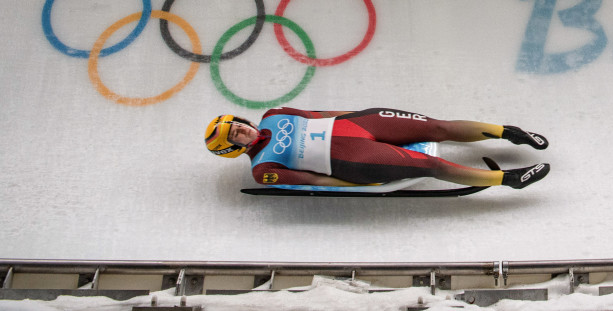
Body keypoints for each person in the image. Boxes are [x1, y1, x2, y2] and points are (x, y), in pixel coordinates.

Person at [205, 107, 550, 189]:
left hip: (359, 124)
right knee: (431, 166)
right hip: (352, 159)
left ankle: (509, 132)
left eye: (238, 127)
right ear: (232, 149)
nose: (242, 133)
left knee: (437, 127)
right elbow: (312, 180)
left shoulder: (273, 115)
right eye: (235, 138)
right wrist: (356, 184)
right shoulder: (262, 168)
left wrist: (363, 113)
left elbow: (320, 113)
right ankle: (508, 180)